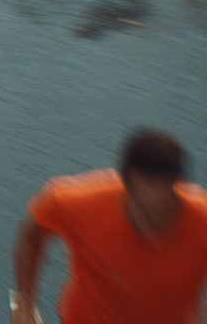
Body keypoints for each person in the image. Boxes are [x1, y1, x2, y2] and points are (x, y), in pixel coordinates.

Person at [12, 129, 207, 324]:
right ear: (125, 185)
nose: (151, 222)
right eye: (143, 210)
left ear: (177, 187)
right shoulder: (76, 203)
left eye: (163, 209)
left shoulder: (201, 220)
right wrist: (24, 305)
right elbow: (31, 233)